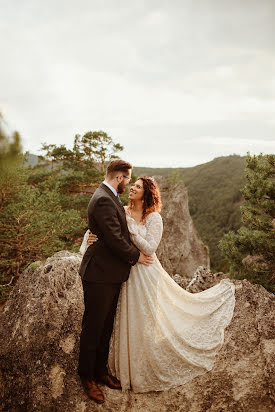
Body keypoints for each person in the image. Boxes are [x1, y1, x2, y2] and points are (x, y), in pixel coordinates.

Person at [82, 175, 236, 394]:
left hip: (145, 272)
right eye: (132, 184)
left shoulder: (154, 218)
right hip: (124, 272)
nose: (132, 188)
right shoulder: (122, 211)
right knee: (123, 320)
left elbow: (151, 248)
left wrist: (132, 229)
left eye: (137, 187)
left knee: (144, 319)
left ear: (147, 193)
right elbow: (106, 231)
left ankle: (142, 366)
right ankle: (115, 367)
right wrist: (89, 237)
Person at [78, 160, 154, 404]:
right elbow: (113, 237)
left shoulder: (108, 196)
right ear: (120, 178)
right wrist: (136, 256)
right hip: (99, 274)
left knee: (106, 326)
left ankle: (100, 371)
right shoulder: (103, 199)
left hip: (110, 273)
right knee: (93, 327)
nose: (129, 184)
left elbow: (116, 233)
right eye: (128, 179)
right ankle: (87, 377)